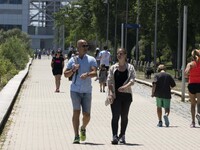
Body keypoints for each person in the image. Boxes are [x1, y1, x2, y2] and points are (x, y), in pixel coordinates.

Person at [64, 39, 97, 144]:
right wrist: (73, 70)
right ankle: (76, 136)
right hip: (75, 90)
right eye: (83, 45)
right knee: (76, 112)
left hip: (87, 91)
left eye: (86, 45)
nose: (85, 47)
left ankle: (83, 127)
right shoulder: (72, 60)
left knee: (87, 115)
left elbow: (95, 73)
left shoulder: (91, 59)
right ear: (78, 48)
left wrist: (87, 74)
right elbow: (65, 74)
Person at [107, 48, 136, 144]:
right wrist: (110, 93)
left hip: (126, 95)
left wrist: (125, 87)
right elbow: (109, 81)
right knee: (115, 116)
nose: (119, 55)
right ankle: (114, 136)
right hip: (115, 96)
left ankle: (122, 134)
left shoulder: (130, 67)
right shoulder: (113, 68)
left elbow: (132, 80)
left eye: (121, 53)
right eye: (118, 54)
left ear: (125, 55)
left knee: (124, 116)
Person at [185, 49, 200, 127]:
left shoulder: (190, 64)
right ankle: (199, 114)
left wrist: (189, 74)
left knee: (192, 104)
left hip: (191, 84)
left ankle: (193, 122)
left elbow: (185, 74)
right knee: (199, 103)